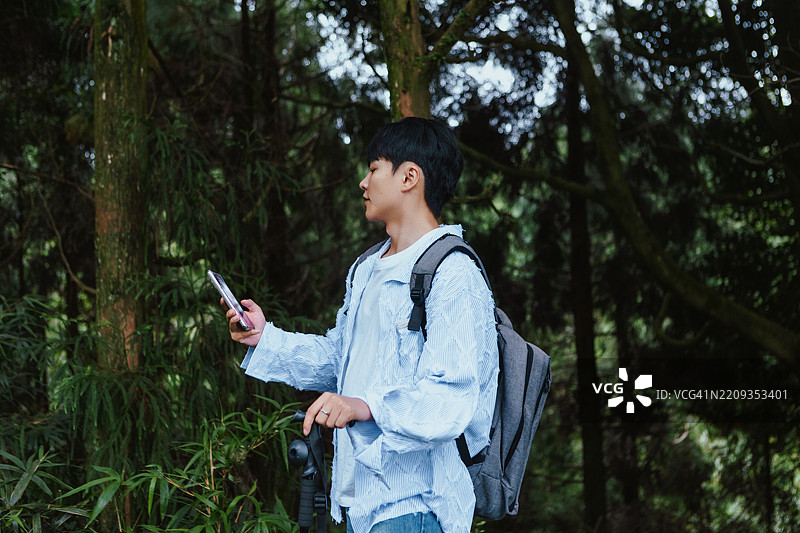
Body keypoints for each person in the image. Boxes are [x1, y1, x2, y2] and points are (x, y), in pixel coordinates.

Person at [225, 117, 499, 533]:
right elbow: (341, 359)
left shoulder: (453, 273)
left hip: (417, 505)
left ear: (409, 177)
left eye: (373, 169)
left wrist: (365, 406)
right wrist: (266, 339)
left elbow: (450, 399)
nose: (363, 182)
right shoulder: (367, 268)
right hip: (359, 501)